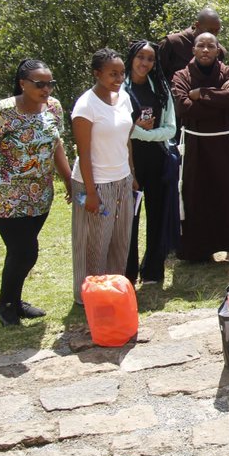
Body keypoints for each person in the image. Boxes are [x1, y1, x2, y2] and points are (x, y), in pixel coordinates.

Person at [0, 59, 71, 326]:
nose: (46, 89)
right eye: (40, 84)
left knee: (20, 252)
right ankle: (5, 305)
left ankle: (15, 301)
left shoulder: (53, 107)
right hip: (7, 197)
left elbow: (57, 145)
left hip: (40, 196)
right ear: (22, 83)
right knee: (26, 251)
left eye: (50, 83)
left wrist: (69, 180)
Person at [173, 33, 229, 267]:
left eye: (210, 46)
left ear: (217, 50)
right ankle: (198, 251)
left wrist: (201, 95)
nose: (205, 50)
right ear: (193, 50)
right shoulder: (181, 75)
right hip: (196, 145)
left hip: (224, 142)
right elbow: (184, 108)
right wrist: (219, 100)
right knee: (197, 195)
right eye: (200, 46)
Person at [71, 48, 137, 303]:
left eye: (121, 73)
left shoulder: (123, 98)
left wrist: (131, 173)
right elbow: (84, 153)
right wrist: (90, 193)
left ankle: (112, 294)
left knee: (120, 240)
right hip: (95, 183)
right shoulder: (85, 107)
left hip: (122, 180)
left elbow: (126, 140)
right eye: (112, 74)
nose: (118, 79)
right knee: (94, 245)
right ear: (96, 73)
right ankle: (88, 297)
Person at [123, 40, 179, 285]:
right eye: (140, 57)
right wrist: (133, 132)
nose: (144, 63)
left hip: (157, 159)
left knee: (157, 215)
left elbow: (170, 130)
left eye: (150, 59)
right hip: (128, 161)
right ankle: (127, 273)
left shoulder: (160, 89)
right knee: (129, 220)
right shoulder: (119, 88)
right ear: (131, 57)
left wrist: (140, 133)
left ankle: (153, 272)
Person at [158, 8, 222, 82]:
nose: (213, 35)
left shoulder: (218, 51)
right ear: (197, 25)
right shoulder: (172, 43)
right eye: (210, 31)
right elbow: (155, 75)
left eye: (217, 31)